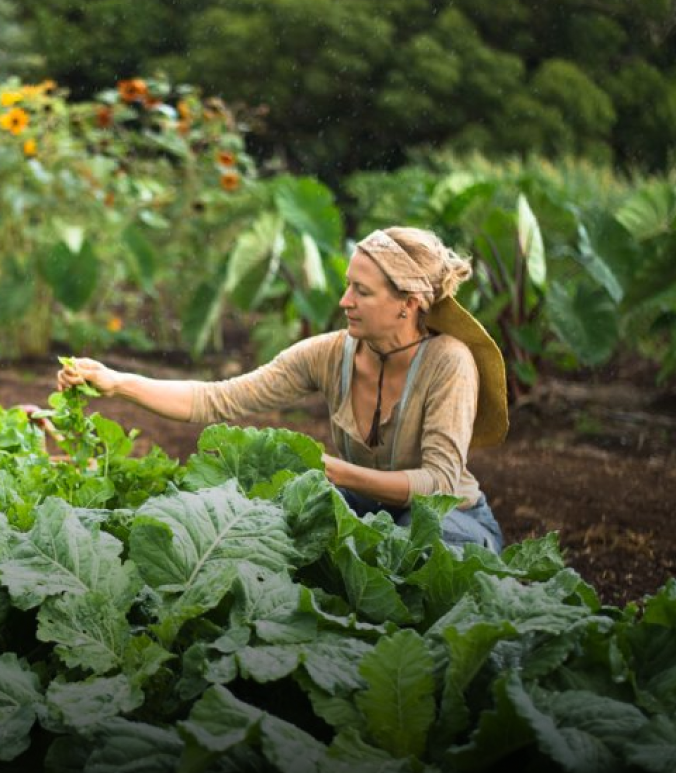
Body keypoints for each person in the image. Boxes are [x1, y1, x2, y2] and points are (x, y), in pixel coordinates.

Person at [56, 226, 510, 553]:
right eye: (348, 285)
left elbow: (439, 485)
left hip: (451, 521)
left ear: (407, 304)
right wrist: (116, 382)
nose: (344, 301)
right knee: (265, 527)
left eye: (362, 292)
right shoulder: (330, 354)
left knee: (425, 551)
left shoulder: (449, 362)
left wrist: (332, 471)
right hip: (364, 512)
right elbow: (220, 399)